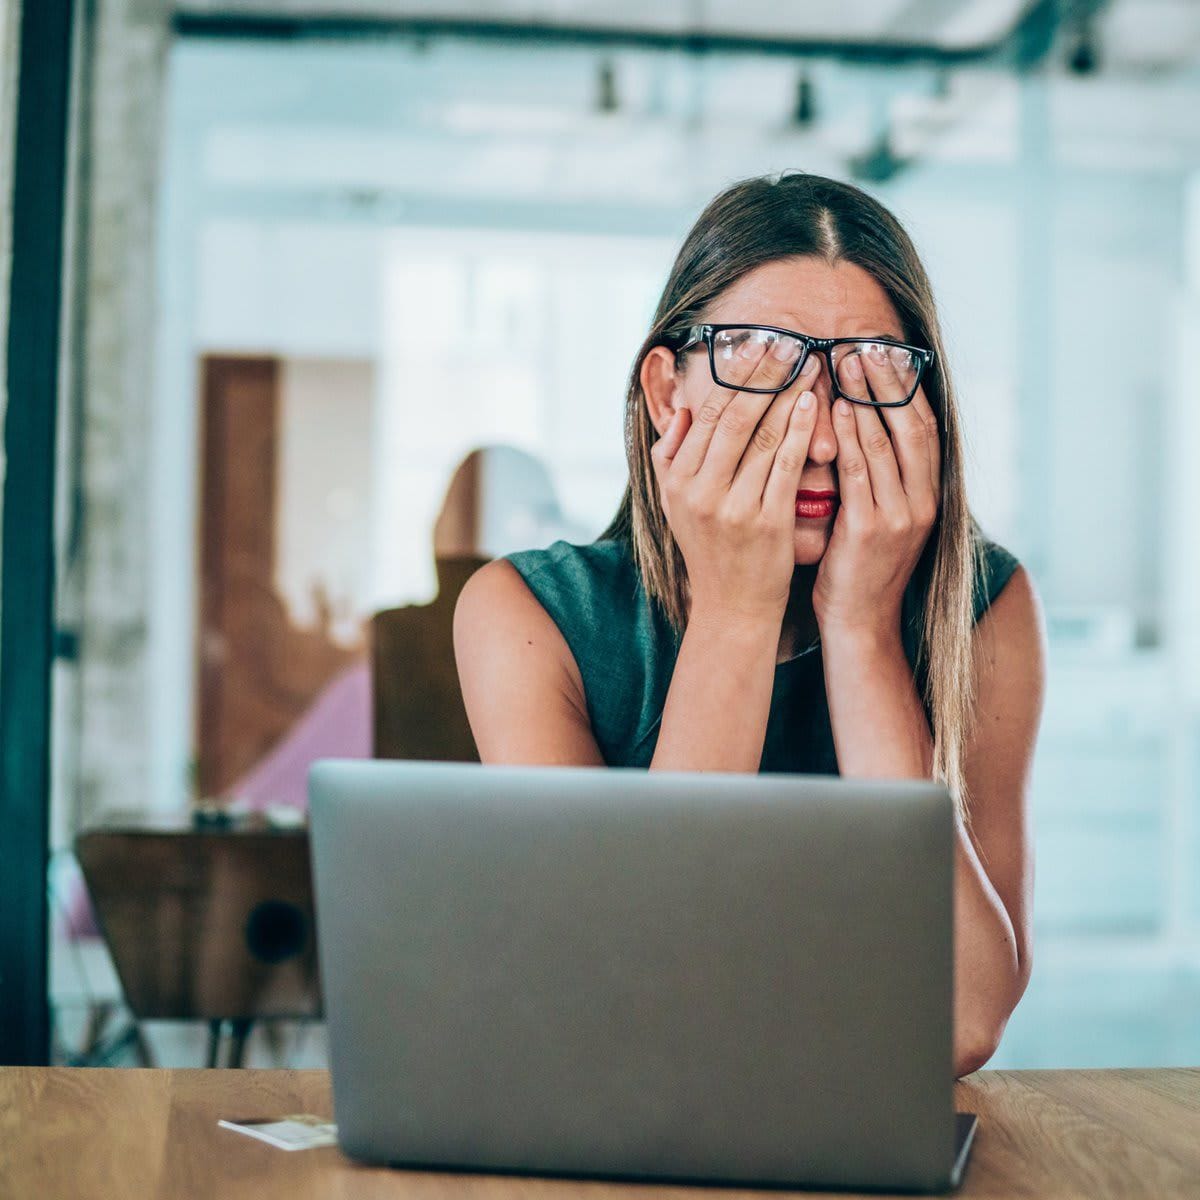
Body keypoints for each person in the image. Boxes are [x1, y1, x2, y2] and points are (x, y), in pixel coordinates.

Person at [453, 170, 1046, 1079]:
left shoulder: (989, 610)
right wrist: (736, 608)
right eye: (761, 362)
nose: (816, 437)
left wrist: (860, 629)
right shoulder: (528, 616)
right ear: (665, 392)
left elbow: (962, 1021)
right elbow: (628, 1000)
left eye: (870, 374)